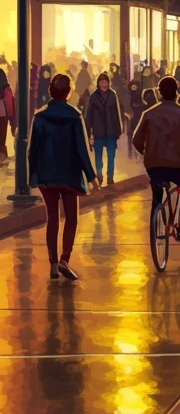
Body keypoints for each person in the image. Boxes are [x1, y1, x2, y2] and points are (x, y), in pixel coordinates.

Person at [27, 73, 98, 279]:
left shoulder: (40, 116)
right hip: (69, 174)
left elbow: (33, 149)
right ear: (68, 92)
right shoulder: (75, 116)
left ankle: (52, 263)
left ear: (50, 90)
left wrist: (33, 175)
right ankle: (65, 259)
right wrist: (92, 176)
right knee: (72, 218)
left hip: (46, 175)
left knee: (52, 217)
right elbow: (82, 149)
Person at [132, 75, 180, 240]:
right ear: (176, 93)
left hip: (153, 166)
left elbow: (136, 140)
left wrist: (147, 153)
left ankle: (154, 225)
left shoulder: (148, 114)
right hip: (175, 166)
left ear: (159, 94)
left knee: (157, 194)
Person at [84, 72, 123, 185]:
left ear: (108, 83)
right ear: (98, 84)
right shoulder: (93, 97)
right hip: (98, 130)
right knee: (98, 155)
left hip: (111, 130)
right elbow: (89, 114)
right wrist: (88, 129)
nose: (103, 84)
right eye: (101, 82)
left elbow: (117, 113)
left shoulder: (112, 95)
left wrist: (118, 130)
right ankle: (99, 175)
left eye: (105, 82)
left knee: (111, 155)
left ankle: (110, 176)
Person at [0, 67, 14, 159]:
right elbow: (9, 101)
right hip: (2, 112)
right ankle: (2, 158)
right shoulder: (6, 87)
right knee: (1, 140)